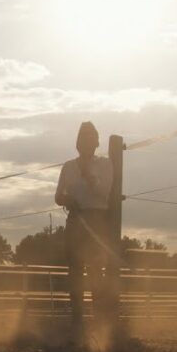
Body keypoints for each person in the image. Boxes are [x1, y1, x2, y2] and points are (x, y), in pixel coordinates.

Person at [55, 122, 115, 326]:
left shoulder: (105, 165)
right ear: (78, 143)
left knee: (96, 269)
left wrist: (89, 176)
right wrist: (66, 200)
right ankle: (78, 318)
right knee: (75, 270)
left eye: (90, 137)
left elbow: (104, 192)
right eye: (83, 137)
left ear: (96, 142)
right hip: (75, 220)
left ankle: (98, 319)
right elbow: (58, 196)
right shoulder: (68, 166)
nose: (87, 141)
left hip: (96, 220)